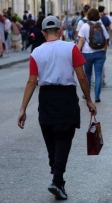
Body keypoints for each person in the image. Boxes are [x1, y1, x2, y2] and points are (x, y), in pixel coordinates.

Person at [17, 16, 97, 200]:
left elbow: (31, 82)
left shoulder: (36, 53)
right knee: (63, 139)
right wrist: (89, 100)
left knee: (51, 139)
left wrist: (23, 108)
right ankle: (57, 178)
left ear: (44, 33)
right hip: (66, 97)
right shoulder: (71, 48)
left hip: (46, 97)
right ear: (60, 31)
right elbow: (82, 77)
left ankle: (57, 175)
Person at [77, 8, 109, 102]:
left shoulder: (84, 26)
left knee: (87, 74)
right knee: (98, 74)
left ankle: (87, 95)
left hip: (87, 53)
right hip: (100, 52)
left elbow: (81, 40)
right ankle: (97, 95)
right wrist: (104, 51)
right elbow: (106, 40)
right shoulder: (101, 26)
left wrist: (77, 52)